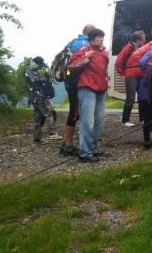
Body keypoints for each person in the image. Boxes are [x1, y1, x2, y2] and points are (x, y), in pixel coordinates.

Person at [67, 28, 109, 163]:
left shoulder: (104, 52)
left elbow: (104, 70)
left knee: (99, 121)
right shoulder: (84, 49)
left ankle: (93, 149)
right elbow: (71, 65)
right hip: (86, 87)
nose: (101, 39)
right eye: (98, 37)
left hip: (101, 89)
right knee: (87, 121)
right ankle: (85, 152)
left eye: (102, 37)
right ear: (91, 39)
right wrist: (86, 58)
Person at [60, 24, 95, 156]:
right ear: (91, 34)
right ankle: (67, 144)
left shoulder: (73, 42)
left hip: (69, 81)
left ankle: (66, 142)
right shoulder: (84, 44)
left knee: (74, 112)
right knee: (75, 112)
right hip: (75, 83)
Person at [114, 30, 146, 127]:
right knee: (131, 98)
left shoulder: (142, 49)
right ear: (137, 40)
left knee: (142, 97)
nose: (144, 41)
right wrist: (122, 74)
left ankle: (142, 118)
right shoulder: (129, 48)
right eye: (143, 39)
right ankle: (125, 120)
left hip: (140, 75)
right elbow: (119, 61)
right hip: (131, 75)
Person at [25, 56, 59, 142]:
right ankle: (53, 133)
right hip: (38, 97)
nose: (40, 67)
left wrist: (46, 77)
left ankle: (37, 137)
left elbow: (44, 81)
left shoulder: (33, 72)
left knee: (38, 117)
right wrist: (45, 77)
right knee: (49, 113)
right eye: (39, 65)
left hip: (36, 97)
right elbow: (37, 80)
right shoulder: (29, 72)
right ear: (35, 63)